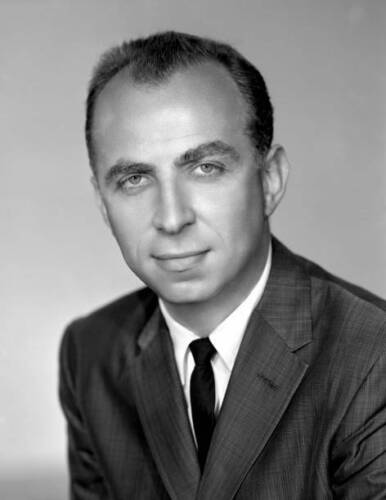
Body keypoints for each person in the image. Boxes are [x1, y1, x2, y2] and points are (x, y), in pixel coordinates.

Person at [59, 31, 386, 499]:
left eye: (205, 168)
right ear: (101, 201)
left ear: (270, 180)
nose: (171, 218)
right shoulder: (90, 354)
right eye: (134, 179)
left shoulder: (374, 357)